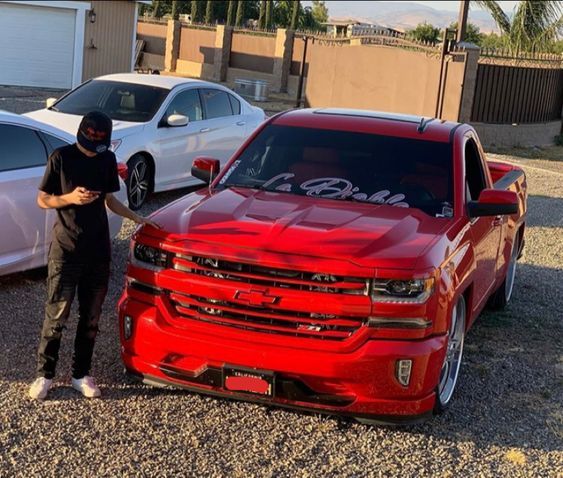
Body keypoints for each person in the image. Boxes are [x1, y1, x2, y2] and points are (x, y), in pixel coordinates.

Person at [28, 111, 159, 400]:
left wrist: (137, 218)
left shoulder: (106, 159)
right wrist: (69, 198)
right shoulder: (61, 157)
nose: (94, 150)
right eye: (91, 143)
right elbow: (42, 199)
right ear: (82, 133)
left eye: (100, 144)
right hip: (65, 250)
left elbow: (110, 199)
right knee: (56, 316)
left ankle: (80, 375)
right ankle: (44, 376)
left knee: (91, 318)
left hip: (98, 251)